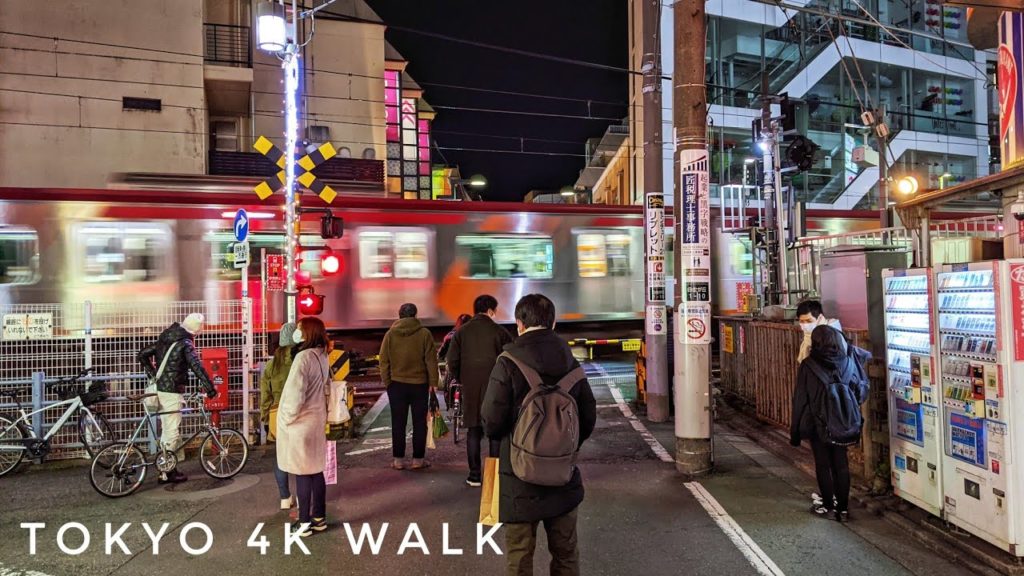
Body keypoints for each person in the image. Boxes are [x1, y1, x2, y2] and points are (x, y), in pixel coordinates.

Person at [482, 294, 597, 576]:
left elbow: (491, 422)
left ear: (519, 324)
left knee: (520, 557)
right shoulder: (572, 363)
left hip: (519, 477)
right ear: (554, 322)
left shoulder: (507, 362)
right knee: (566, 554)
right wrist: (561, 446)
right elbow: (588, 417)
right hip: (563, 477)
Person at [137, 313, 218, 484]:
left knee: (167, 431)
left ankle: (169, 469)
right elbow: (196, 366)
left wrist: (153, 375)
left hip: (159, 388)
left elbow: (143, 354)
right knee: (172, 432)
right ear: (196, 330)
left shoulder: (166, 337)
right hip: (171, 392)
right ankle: (166, 472)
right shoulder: (185, 343)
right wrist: (210, 388)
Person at [790, 325, 856, 523]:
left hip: (817, 422)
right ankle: (843, 510)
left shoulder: (809, 365)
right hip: (842, 422)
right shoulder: (847, 362)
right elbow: (859, 391)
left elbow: (800, 399)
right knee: (841, 465)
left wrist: (795, 431)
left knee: (823, 464)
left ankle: (828, 505)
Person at [446, 295, 513, 487]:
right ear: (491, 310)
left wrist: (462, 378)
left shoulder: (461, 332)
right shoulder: (499, 331)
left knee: (473, 430)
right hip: (496, 387)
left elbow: (452, 361)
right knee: (494, 432)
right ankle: (494, 476)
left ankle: (474, 475)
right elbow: (510, 358)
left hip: (471, 387)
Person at [276, 317, 331, 537]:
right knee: (316, 471)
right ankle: (319, 518)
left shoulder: (303, 357)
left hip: (300, 424)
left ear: (307, 332)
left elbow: (295, 394)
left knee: (301, 473)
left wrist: (287, 418)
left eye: (300, 328)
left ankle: (304, 523)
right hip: (316, 421)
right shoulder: (322, 355)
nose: (297, 331)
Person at [379, 303, 439, 471]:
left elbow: (383, 361)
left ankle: (398, 460)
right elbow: (431, 361)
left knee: (398, 422)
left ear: (399, 315)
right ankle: (418, 460)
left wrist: (388, 382)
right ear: (415, 315)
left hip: (396, 385)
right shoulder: (424, 334)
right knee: (420, 423)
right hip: (419, 385)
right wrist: (433, 383)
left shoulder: (390, 334)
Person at [260, 322, 297, 510]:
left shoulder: (271, 365)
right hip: (298, 413)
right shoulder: (300, 361)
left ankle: (284, 497)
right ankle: (303, 495)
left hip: (276, 414)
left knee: (280, 457)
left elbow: (265, 395)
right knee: (300, 456)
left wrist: (265, 417)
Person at [796, 299, 842, 364]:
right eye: (801, 321)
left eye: (809, 321)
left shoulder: (830, 333)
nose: (805, 325)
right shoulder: (810, 333)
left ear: (820, 318)